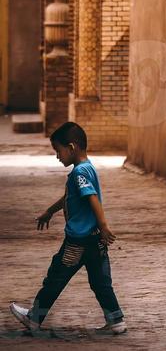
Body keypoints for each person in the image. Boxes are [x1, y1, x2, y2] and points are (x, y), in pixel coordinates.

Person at [9, 121, 126, 336]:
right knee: (101, 282)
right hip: (94, 240)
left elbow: (91, 198)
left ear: (71, 148)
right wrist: (50, 211)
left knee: (56, 277)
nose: (57, 156)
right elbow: (71, 197)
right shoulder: (87, 169)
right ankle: (116, 319)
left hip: (78, 241)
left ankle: (34, 318)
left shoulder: (80, 173)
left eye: (58, 151)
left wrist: (105, 225)